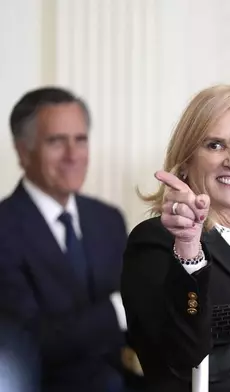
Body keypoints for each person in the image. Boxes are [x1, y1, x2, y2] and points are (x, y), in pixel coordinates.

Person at [121, 84, 230, 391]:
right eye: (215, 145)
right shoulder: (156, 241)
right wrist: (189, 249)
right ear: (187, 159)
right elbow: (181, 355)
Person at [0, 87, 128, 391]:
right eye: (56, 141)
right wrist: (118, 310)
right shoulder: (3, 227)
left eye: (80, 140)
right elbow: (28, 342)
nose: (73, 155)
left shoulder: (108, 219)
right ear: (22, 151)